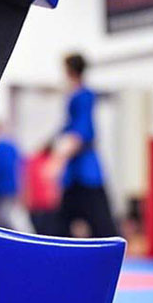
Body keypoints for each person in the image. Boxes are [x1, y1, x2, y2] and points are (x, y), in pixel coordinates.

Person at [49, 53, 117, 238]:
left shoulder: (83, 96)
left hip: (86, 171)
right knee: (62, 223)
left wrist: (57, 160)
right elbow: (67, 128)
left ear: (69, 71)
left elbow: (81, 133)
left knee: (101, 225)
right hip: (75, 173)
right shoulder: (74, 97)